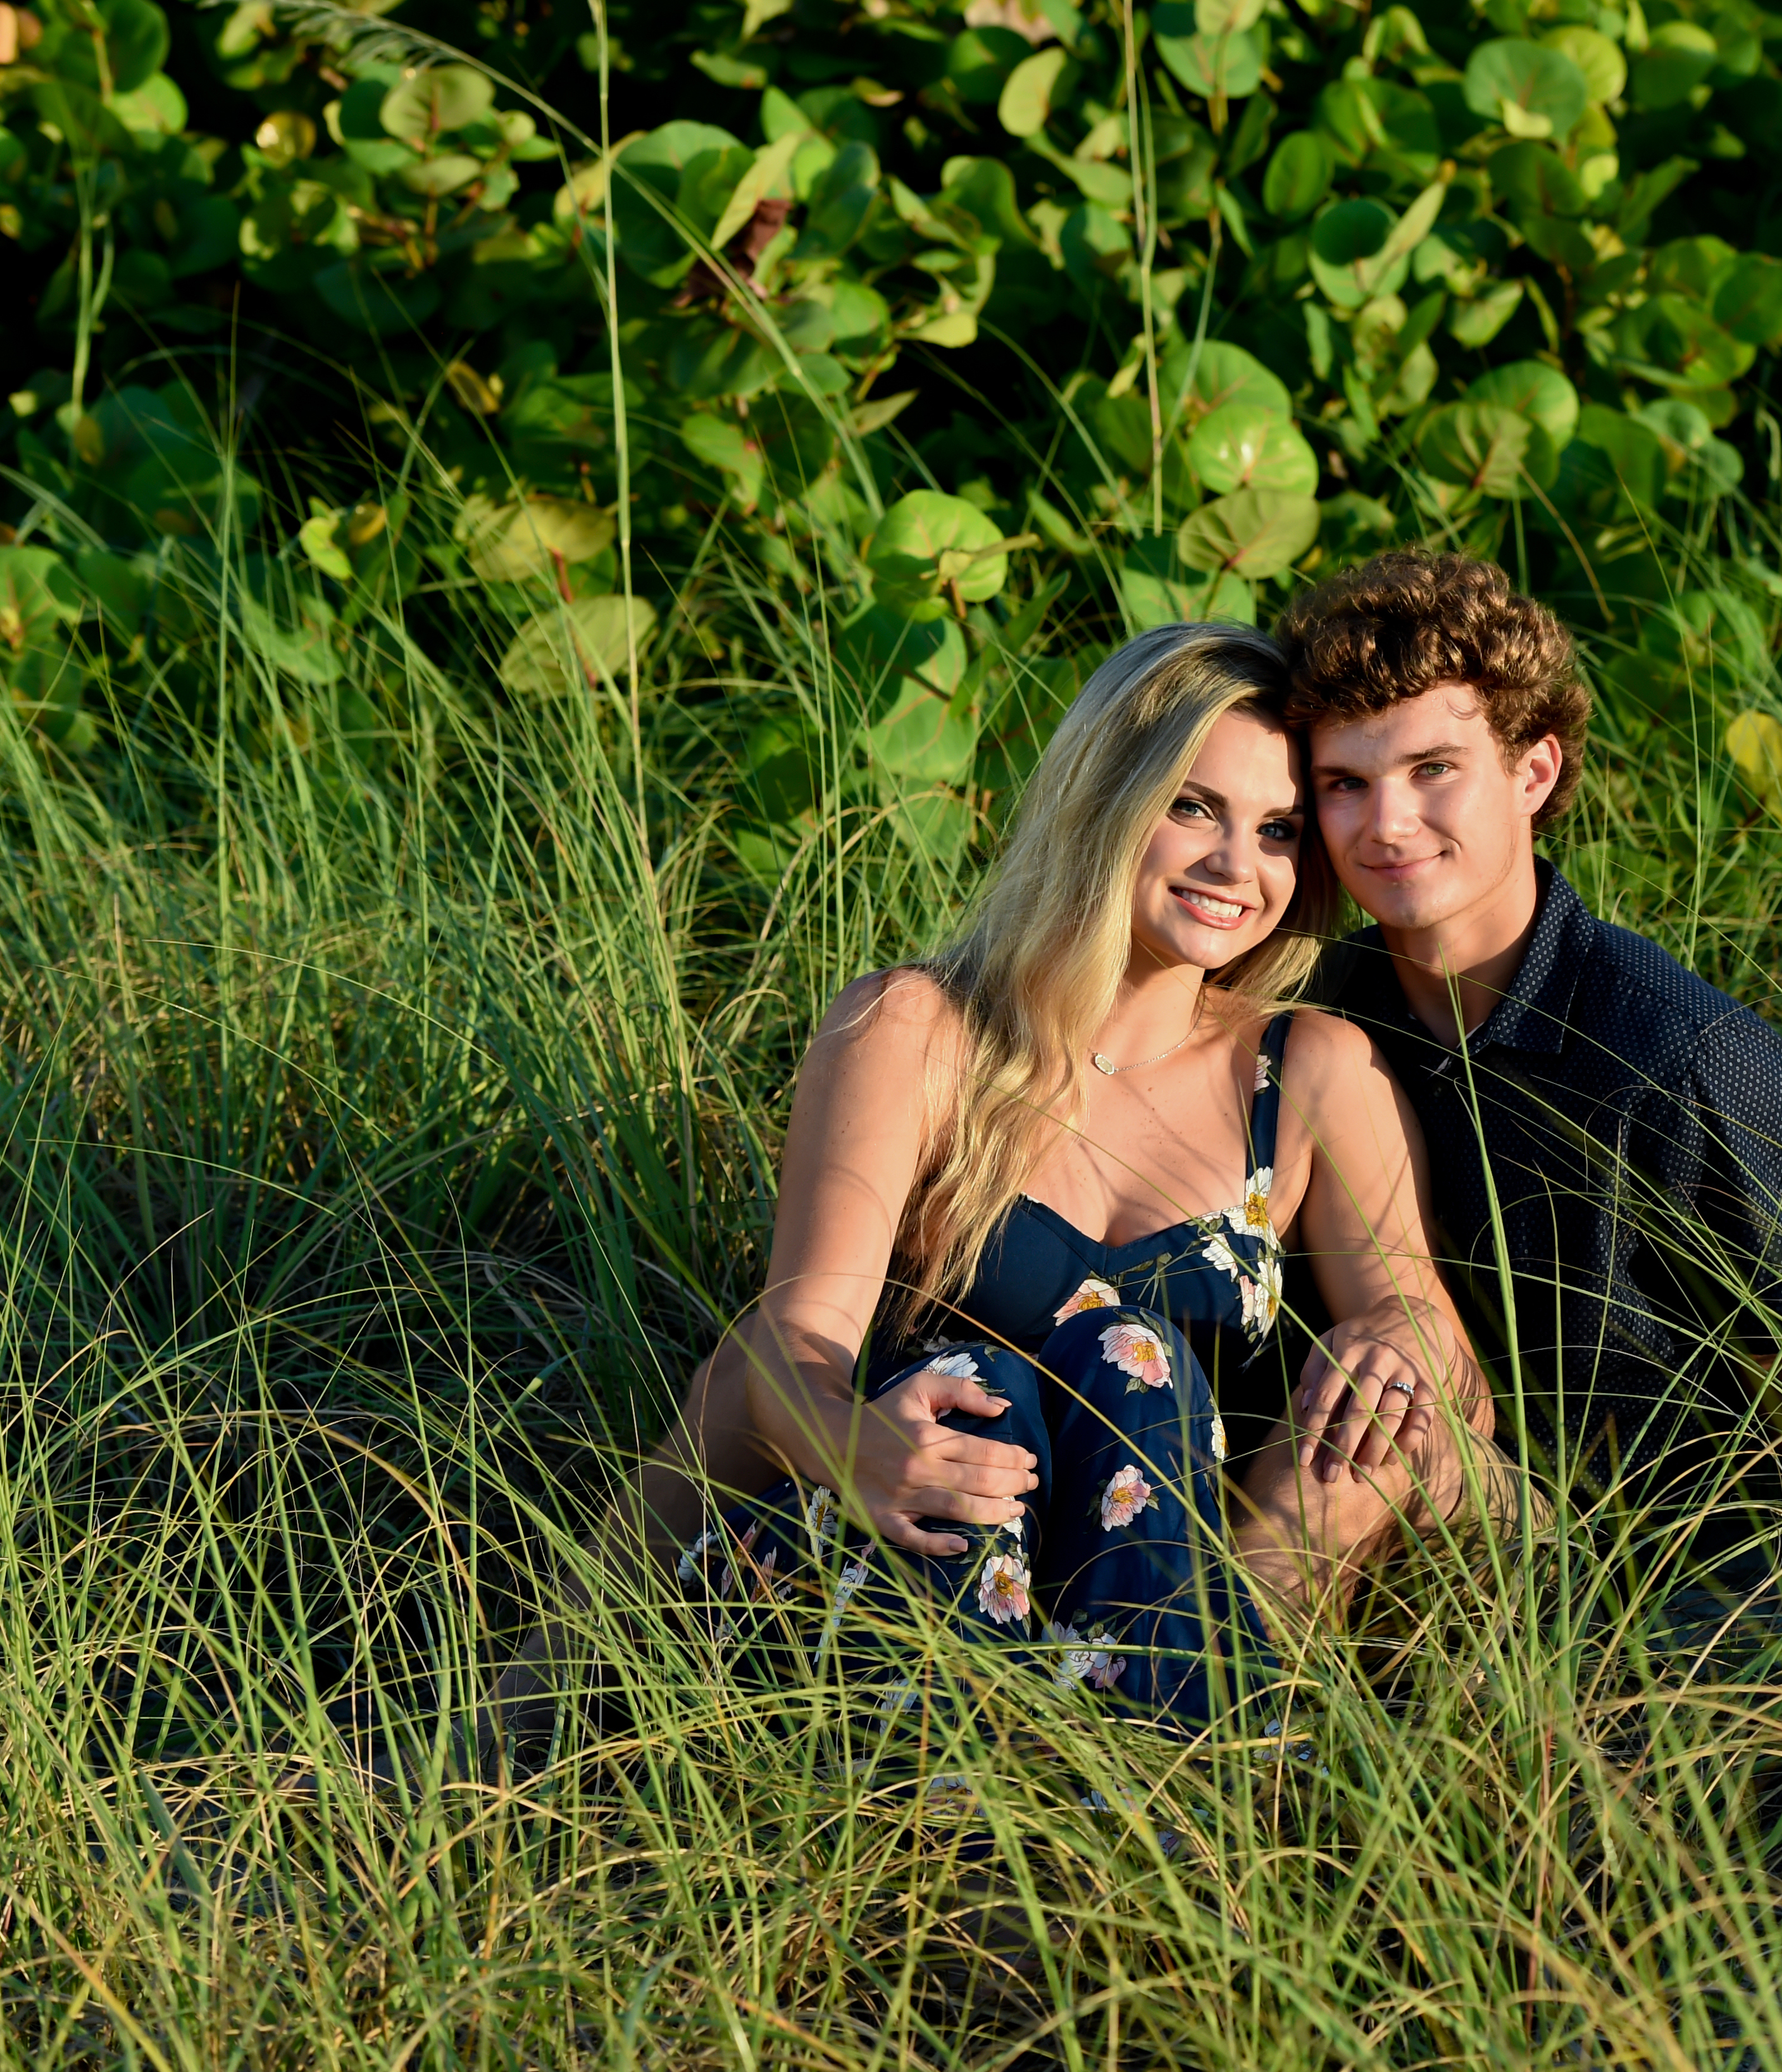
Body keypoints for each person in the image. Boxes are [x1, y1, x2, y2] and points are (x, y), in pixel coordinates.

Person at [565, 620, 1494, 1729]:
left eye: (1280, 829)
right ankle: (1130, 1778)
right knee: (988, 1397)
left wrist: (1387, 1336)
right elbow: (786, 1335)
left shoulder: (1307, 1074)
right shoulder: (916, 1031)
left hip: (1145, 1599)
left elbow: (1429, 1342)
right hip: (897, 1558)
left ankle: (1146, 1766)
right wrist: (853, 1445)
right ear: (1106, 798)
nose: (1236, 866)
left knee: (1140, 1359)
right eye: (1192, 806)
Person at [1269, 552, 1782, 1543]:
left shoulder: (1684, 1051)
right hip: (1403, 1495)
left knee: (1357, 1446)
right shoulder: (1315, 1011)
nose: (1387, 826)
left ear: (1535, 771)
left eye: (1434, 769)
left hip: (1662, 1572)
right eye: (1346, 783)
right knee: (1350, 1436)